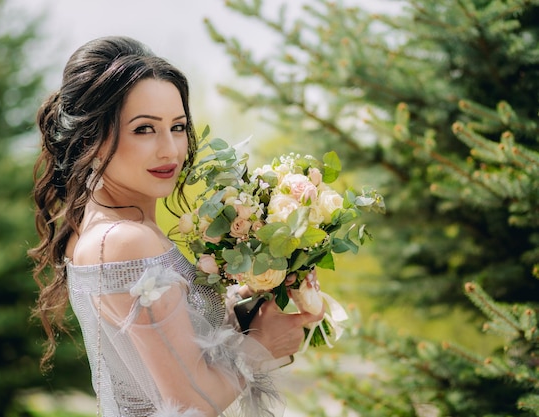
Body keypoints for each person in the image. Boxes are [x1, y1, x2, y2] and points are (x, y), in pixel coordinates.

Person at [28, 36, 323, 417]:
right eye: (144, 129)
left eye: (178, 126)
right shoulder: (123, 241)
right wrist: (262, 344)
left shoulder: (107, 226)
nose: (170, 150)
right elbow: (189, 403)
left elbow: (171, 353)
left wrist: (254, 295)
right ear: (91, 138)